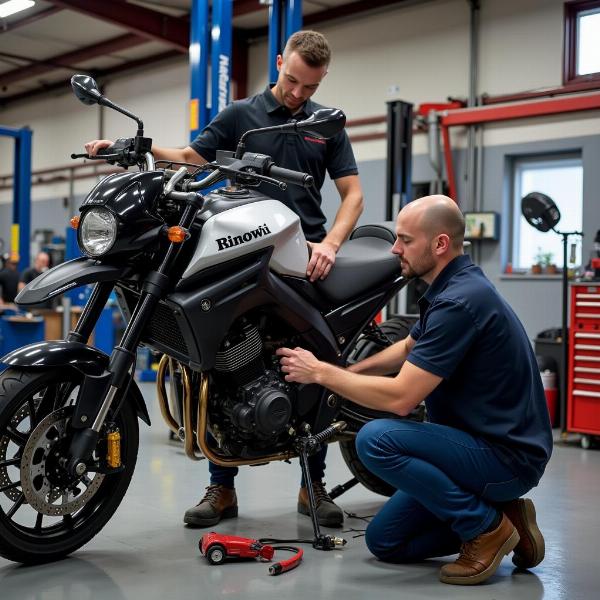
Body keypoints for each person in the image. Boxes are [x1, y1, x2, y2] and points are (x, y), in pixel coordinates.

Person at [85, 30, 364, 530]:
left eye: (310, 86)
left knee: (316, 361)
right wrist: (133, 149)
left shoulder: (326, 123)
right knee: (223, 359)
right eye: (293, 81)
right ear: (280, 63)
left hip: (303, 255)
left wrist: (331, 245)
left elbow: (353, 194)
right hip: (243, 248)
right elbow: (195, 157)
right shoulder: (241, 115)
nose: (299, 95)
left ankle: (313, 485)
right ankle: (222, 488)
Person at [277, 195, 553, 586]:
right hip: (475, 443)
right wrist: (349, 368)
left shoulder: (460, 301)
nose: (394, 249)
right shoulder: (453, 286)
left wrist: (322, 374)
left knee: (376, 439)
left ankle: (485, 530)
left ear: (439, 244)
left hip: (505, 455)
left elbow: (402, 399)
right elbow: (408, 348)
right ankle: (508, 518)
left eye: (405, 240)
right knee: (386, 540)